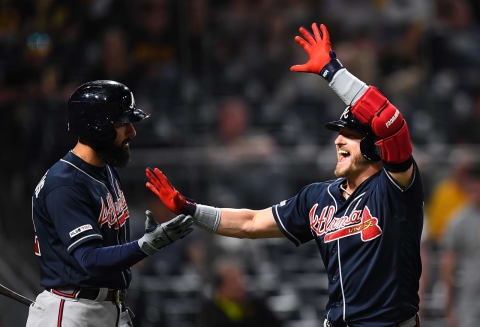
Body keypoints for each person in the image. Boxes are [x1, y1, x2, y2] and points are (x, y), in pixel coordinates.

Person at [145, 23, 423, 327]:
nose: (338, 141)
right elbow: (251, 223)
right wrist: (191, 209)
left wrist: (332, 71)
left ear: (373, 145)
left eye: (349, 134)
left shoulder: (396, 189)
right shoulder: (318, 197)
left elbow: (390, 122)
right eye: (338, 134)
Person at [26, 80, 194, 327]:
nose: (132, 132)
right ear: (98, 127)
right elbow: (90, 259)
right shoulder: (65, 184)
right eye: (123, 123)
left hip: (104, 309)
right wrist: (144, 246)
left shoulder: (104, 170)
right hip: (73, 311)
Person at [441, 164, 480, 327]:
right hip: (469, 295)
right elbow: (449, 264)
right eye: (472, 188)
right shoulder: (457, 222)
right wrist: (449, 307)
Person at [196, 258, 282, 327]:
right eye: (233, 282)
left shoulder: (256, 305)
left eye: (240, 279)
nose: (240, 285)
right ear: (221, 287)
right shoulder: (209, 313)